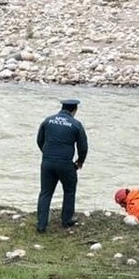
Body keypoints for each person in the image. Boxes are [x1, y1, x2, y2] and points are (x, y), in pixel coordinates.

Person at [36, 98, 88, 233]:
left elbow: (39, 140)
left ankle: (41, 225)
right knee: (69, 191)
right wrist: (80, 161)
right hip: (65, 164)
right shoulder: (76, 124)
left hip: (47, 162)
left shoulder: (48, 120)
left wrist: (47, 154)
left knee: (45, 193)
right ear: (74, 110)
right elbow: (83, 146)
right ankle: (66, 220)